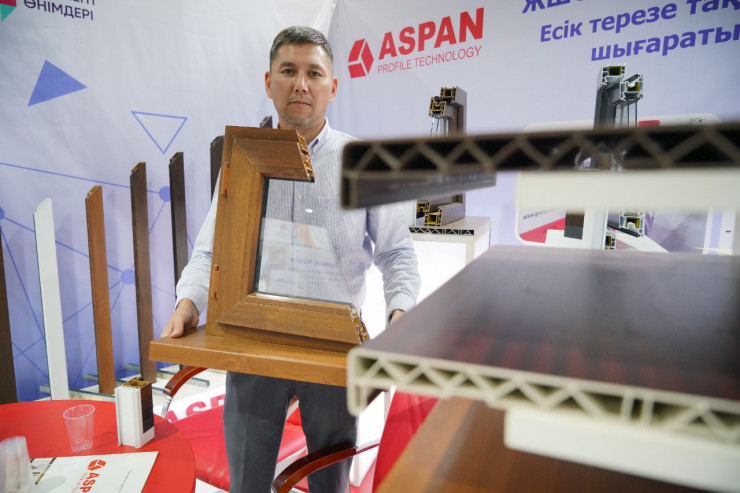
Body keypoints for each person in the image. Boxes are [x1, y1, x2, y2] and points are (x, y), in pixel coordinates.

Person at [162, 26, 421, 493]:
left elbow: (397, 252)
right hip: (255, 341)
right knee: (247, 481)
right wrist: (189, 301)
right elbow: (210, 250)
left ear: (332, 87)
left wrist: (399, 316)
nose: (300, 84)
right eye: (288, 71)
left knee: (330, 484)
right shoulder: (242, 159)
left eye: (313, 73)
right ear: (269, 82)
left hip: (333, 349)